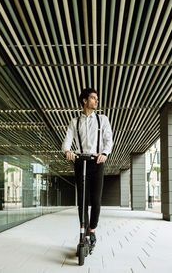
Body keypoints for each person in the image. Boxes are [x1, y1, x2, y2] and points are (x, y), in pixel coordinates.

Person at [62, 88, 113, 248]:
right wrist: (67, 151)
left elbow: (108, 139)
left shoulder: (102, 119)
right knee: (82, 201)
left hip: (97, 162)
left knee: (96, 200)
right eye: (93, 98)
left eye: (96, 98)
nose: (96, 101)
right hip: (80, 162)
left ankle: (92, 229)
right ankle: (83, 230)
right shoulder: (74, 121)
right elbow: (67, 140)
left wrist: (104, 153)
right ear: (84, 100)